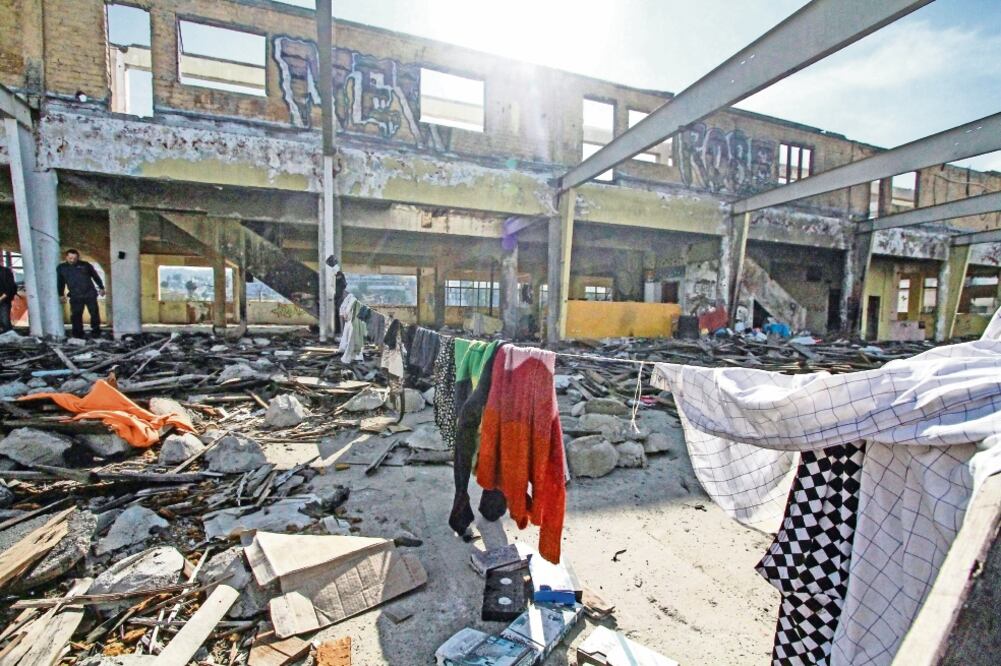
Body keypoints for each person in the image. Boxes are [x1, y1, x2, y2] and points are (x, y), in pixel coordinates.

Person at [57, 249, 105, 338]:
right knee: (76, 315)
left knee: (94, 313)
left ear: (78, 257)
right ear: (66, 257)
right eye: (70, 258)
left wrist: (101, 287)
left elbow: (95, 276)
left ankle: (96, 331)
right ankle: (78, 334)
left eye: (74, 258)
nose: (72, 260)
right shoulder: (61, 268)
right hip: (75, 295)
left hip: (90, 293)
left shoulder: (85, 265)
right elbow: (60, 282)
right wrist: (61, 294)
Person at [0, 263, 16, 333]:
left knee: (5, 322)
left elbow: (10, 287)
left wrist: (1, 298)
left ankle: (9, 338)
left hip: (4, 300)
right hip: (4, 299)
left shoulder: (5, 271)